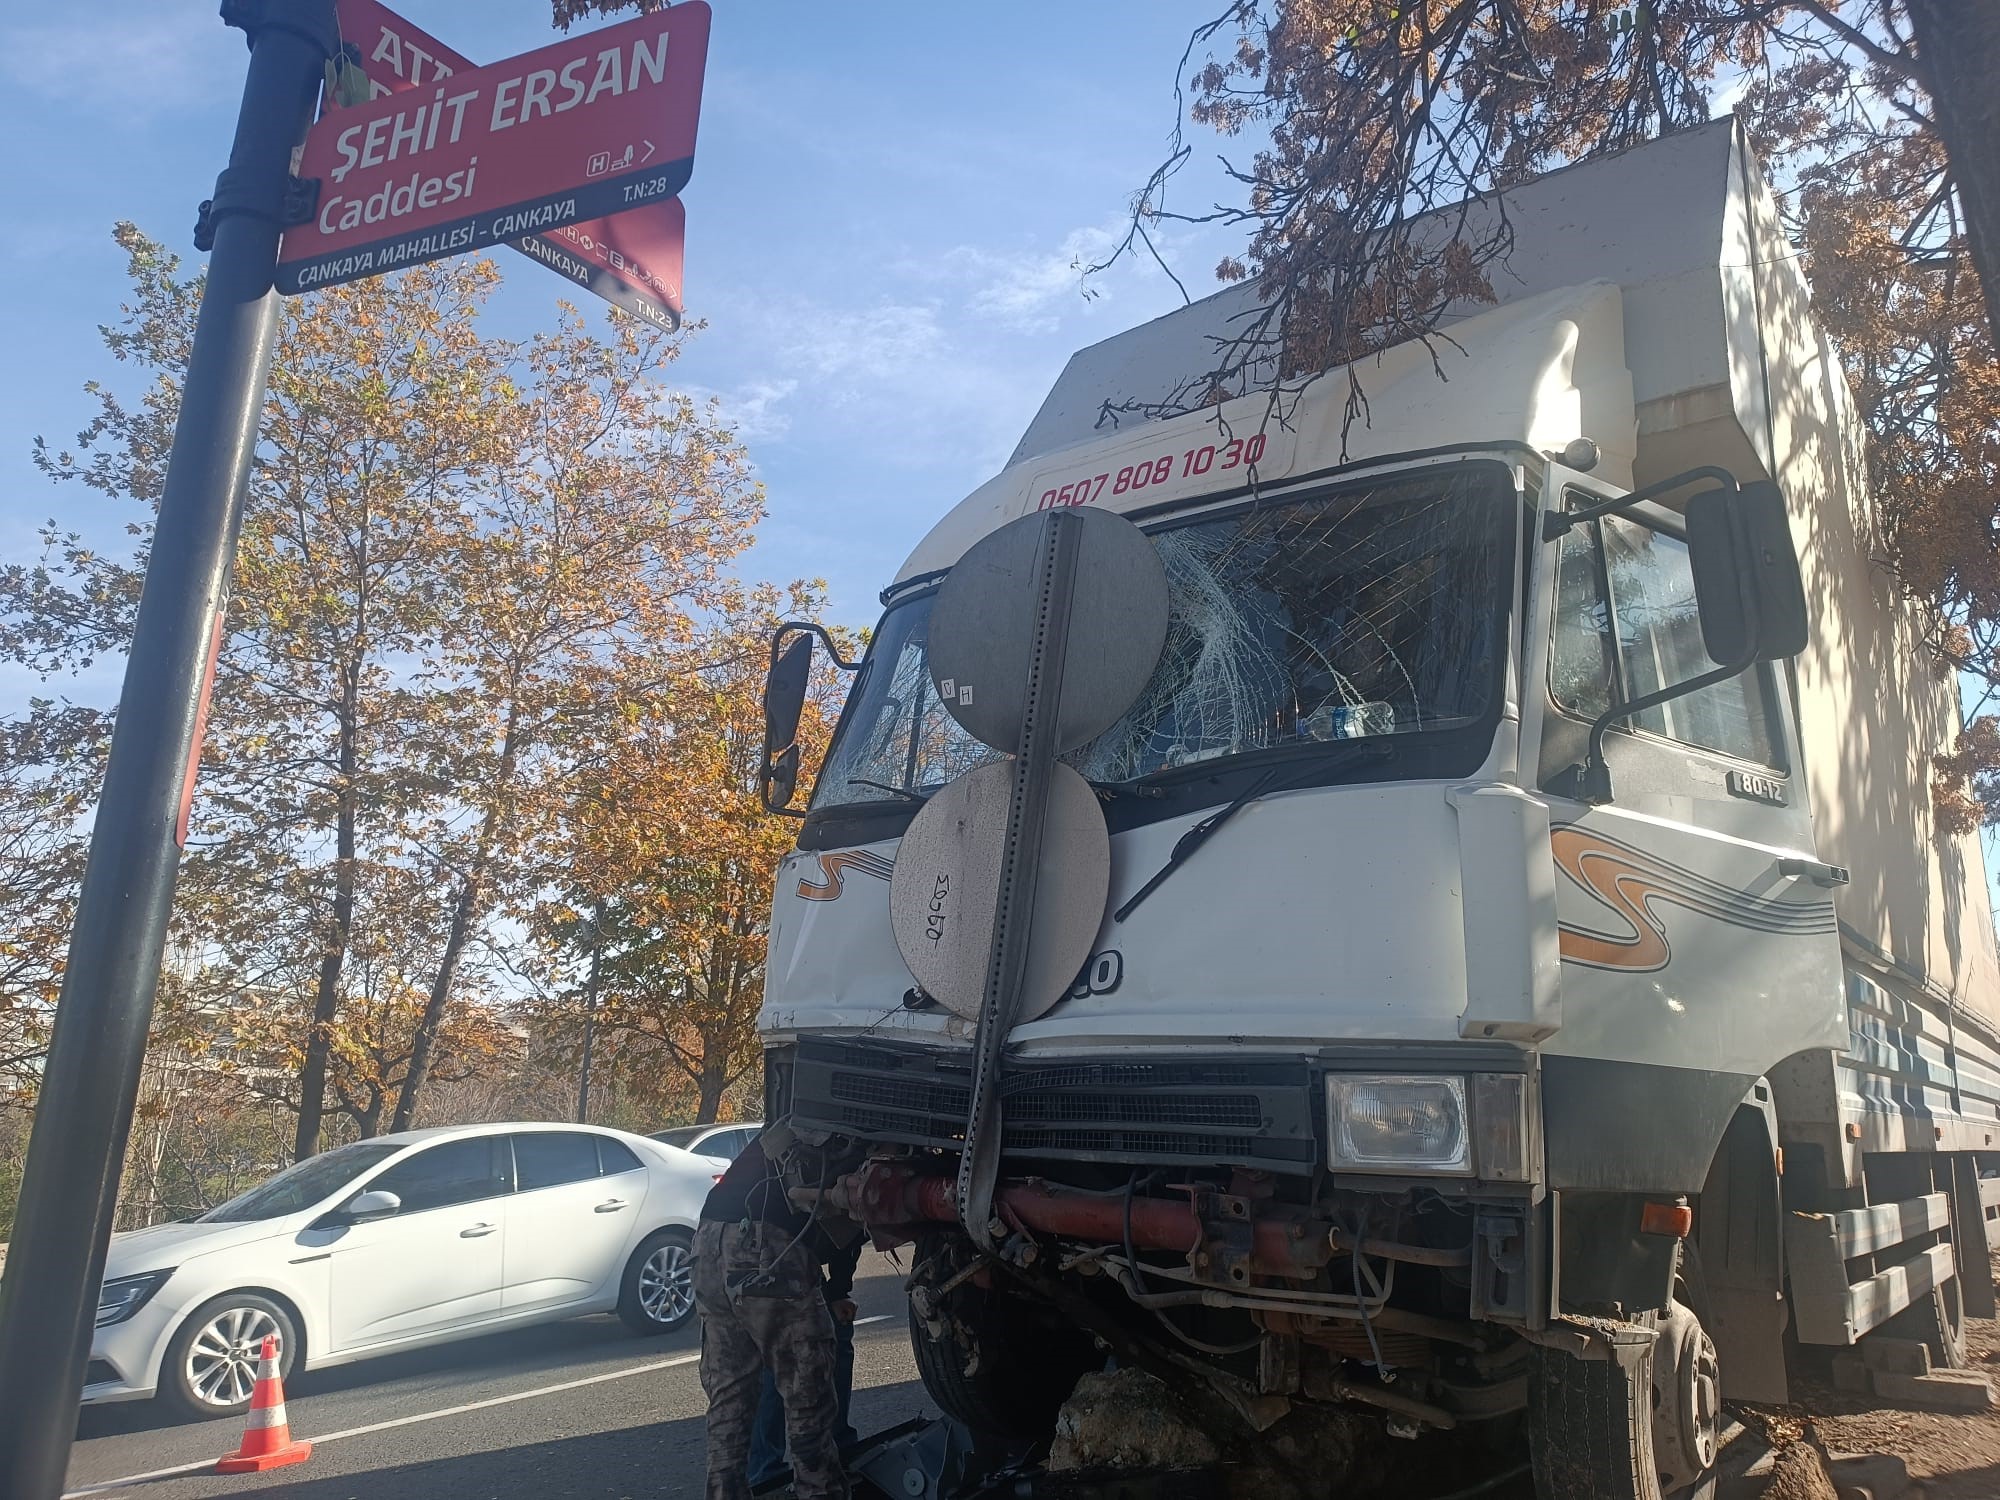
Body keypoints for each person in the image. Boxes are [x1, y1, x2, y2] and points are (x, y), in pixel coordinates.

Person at [695, 1130, 855, 1500]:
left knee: (729, 1396)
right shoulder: (850, 1135)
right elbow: (847, 1226)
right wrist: (837, 1290)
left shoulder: (788, 1125)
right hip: (763, 1245)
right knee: (807, 1395)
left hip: (707, 1242)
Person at [747, 1234, 862, 1490]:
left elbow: (848, 1239)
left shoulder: (849, 1214)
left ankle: (839, 1449)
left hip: (799, 1254)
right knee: (777, 1357)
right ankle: (767, 1476)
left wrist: (837, 1292)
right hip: (764, 1255)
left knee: (837, 1336)